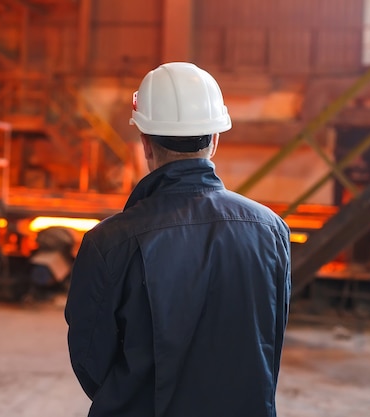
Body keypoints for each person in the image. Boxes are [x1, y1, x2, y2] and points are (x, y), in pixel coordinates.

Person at [64, 62, 291, 417]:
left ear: (145, 144)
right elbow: (270, 343)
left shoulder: (108, 242)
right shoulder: (271, 230)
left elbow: (91, 362)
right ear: (215, 140)